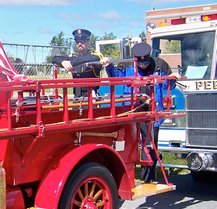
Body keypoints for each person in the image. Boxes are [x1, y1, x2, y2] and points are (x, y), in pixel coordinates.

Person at [101, 42, 178, 182]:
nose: (143, 66)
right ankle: (125, 176)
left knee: (149, 144)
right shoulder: (127, 65)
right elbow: (115, 77)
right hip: (132, 111)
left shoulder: (160, 64)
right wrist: (109, 65)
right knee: (128, 143)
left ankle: (149, 177)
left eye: (146, 63)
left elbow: (170, 85)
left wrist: (173, 77)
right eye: (140, 63)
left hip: (151, 112)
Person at [52, 29, 103, 97]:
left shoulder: (94, 55)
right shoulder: (73, 57)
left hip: (91, 96)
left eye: (83, 41)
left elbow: (92, 58)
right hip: (77, 96)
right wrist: (63, 62)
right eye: (77, 41)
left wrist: (71, 63)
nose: (79, 44)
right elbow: (54, 59)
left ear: (88, 42)